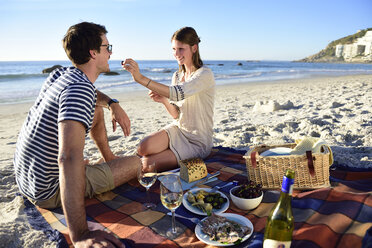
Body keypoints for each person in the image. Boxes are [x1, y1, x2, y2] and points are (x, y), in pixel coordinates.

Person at [13, 22, 140, 248]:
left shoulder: (62, 74)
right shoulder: (79, 89)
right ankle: (106, 171)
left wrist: (112, 103)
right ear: (93, 52)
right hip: (48, 190)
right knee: (136, 163)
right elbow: (68, 157)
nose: (111, 52)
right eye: (107, 47)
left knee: (97, 107)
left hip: (27, 177)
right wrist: (79, 234)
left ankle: (108, 158)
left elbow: (91, 95)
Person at [123, 26, 215, 172]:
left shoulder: (204, 74)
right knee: (142, 147)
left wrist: (140, 78)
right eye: (173, 49)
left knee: (147, 165)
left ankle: (119, 168)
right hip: (179, 130)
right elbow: (176, 114)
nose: (176, 54)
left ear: (194, 48)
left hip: (197, 142)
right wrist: (164, 100)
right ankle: (119, 163)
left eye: (181, 49)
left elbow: (177, 93)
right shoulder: (177, 76)